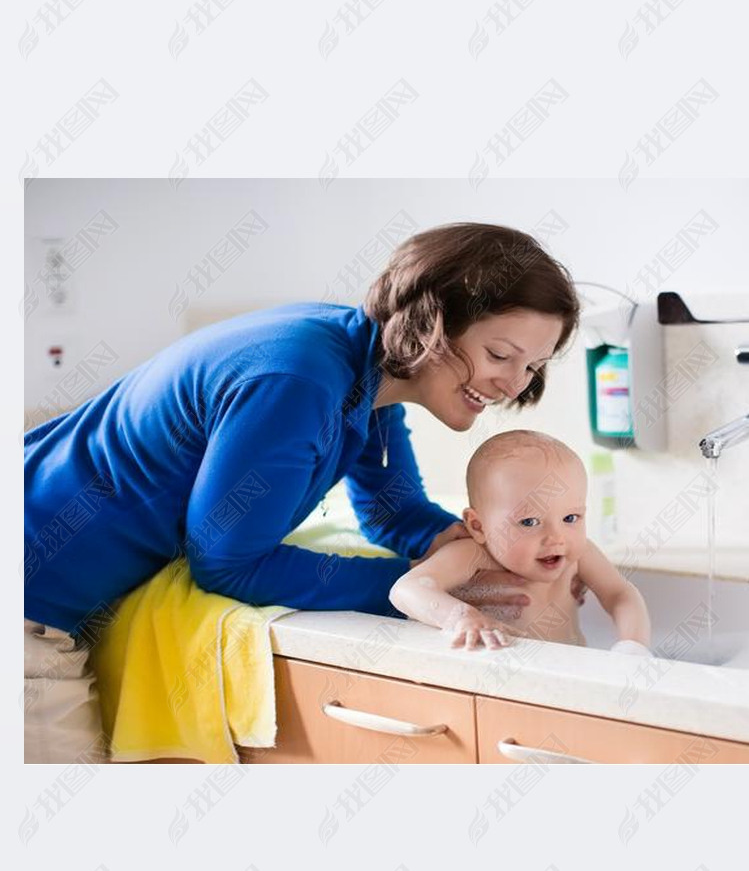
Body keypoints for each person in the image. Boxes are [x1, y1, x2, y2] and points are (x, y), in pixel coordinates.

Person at [23, 222, 580, 760]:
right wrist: (429, 592)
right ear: (429, 324)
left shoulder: (365, 366)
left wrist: (482, 555)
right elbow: (228, 564)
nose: (513, 385)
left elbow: (392, 510)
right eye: (500, 355)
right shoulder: (300, 381)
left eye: (531, 366)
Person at [389, 429, 652, 653]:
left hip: (571, 676)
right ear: (478, 526)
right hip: (501, 684)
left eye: (571, 517)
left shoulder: (580, 553)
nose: (556, 537)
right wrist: (461, 616)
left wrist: (632, 648)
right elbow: (406, 590)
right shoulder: (473, 555)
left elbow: (620, 594)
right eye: (529, 522)